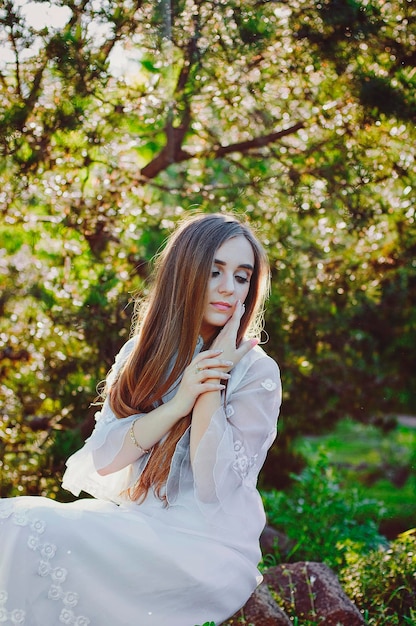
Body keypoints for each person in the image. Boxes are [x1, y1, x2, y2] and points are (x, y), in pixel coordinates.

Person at [0, 212, 281, 626]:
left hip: (207, 550)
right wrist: (178, 402)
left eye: (242, 277)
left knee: (25, 523)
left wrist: (213, 378)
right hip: (136, 525)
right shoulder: (143, 352)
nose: (228, 288)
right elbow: (104, 459)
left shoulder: (256, 371)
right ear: (186, 273)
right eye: (215, 271)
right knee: (11, 521)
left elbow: (212, 484)